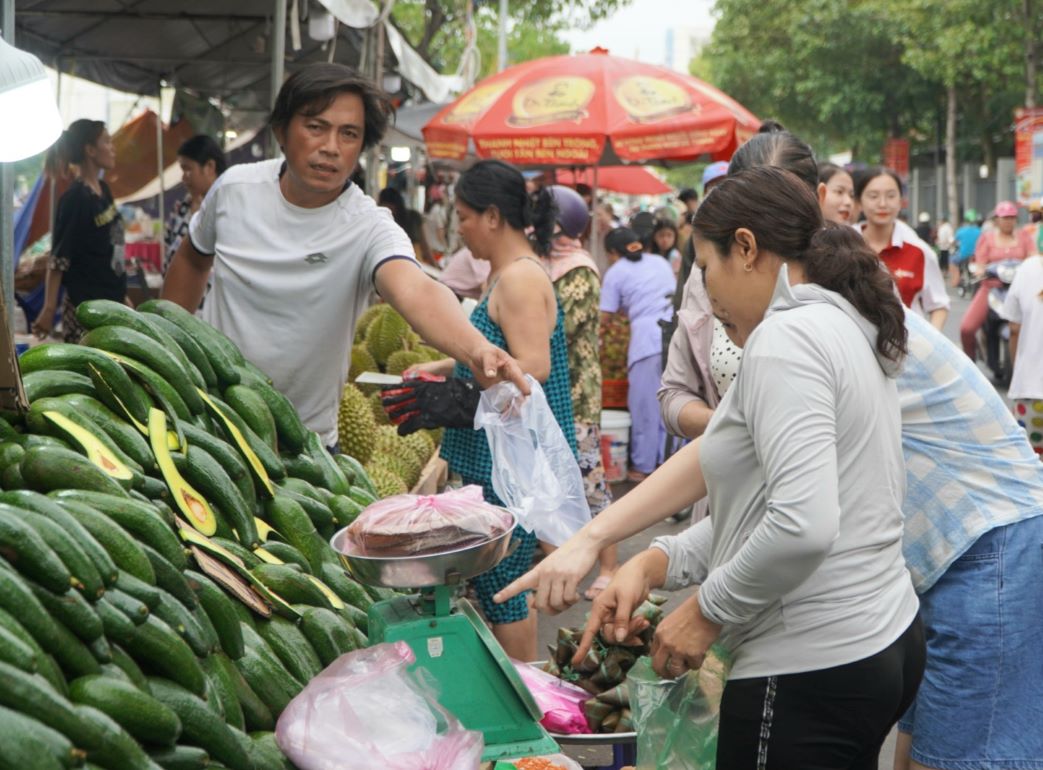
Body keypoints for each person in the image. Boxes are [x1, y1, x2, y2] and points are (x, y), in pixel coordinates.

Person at [508, 130, 1043, 770]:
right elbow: (735, 472)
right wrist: (650, 559)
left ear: (748, 247)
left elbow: (800, 525)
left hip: (857, 630)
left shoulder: (788, 340)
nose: (703, 295)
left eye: (704, 272)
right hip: (885, 639)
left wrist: (704, 612)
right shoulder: (841, 318)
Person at [162, 63, 525, 450]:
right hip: (212, 426)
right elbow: (193, 257)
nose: (331, 147)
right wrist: (165, 344)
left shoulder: (367, 225)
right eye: (316, 126)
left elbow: (417, 290)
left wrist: (477, 351)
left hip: (306, 447)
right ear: (282, 131)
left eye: (349, 134)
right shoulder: (234, 191)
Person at [384, 159, 576, 661]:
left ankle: (529, 706)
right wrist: (446, 366)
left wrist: (460, 398)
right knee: (500, 589)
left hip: (509, 465)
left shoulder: (519, 280)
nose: (459, 228)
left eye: (465, 217)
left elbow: (530, 368)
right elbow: (496, 353)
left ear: (493, 217)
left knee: (506, 594)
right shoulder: (507, 276)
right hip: (496, 458)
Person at [541, 185, 617, 598]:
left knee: (590, 481)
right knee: (554, 482)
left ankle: (610, 565)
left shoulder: (580, 271)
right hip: (549, 393)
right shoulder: (543, 264)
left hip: (576, 397)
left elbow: (560, 326)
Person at [34, 119, 127, 342]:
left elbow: (110, 246)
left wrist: (121, 295)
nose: (112, 147)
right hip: (85, 311)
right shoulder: (75, 199)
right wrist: (48, 309)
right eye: (106, 141)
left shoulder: (103, 191)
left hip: (112, 304)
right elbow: (58, 258)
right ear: (90, 150)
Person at [601, 227, 675, 482]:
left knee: (644, 406)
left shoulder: (616, 271)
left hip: (646, 342)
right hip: (675, 336)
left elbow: (604, 318)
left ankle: (643, 467)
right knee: (671, 399)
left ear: (612, 253)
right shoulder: (660, 262)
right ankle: (670, 465)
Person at [855, 167, 950, 330]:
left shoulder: (919, 251)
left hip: (905, 348)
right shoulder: (842, 246)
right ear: (859, 202)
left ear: (901, 201)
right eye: (873, 196)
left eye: (891, 196)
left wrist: (929, 348)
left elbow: (939, 305)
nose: (882, 203)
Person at [958, 200, 1033, 361]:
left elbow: (1033, 257)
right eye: (1005, 217)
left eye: (1012, 217)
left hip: (1020, 290)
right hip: (991, 288)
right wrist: (980, 270)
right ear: (997, 219)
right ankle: (969, 363)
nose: (1008, 221)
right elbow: (980, 263)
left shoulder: (1024, 237)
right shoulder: (987, 238)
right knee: (967, 328)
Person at [163, 134, 227, 273]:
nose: (183, 177)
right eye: (182, 170)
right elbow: (167, 250)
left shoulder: (226, 208)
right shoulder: (181, 208)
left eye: (188, 169)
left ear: (210, 166)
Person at [1001, 250, 1043, 458]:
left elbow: (1014, 328)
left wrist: (1017, 375)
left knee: (1033, 471)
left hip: (1031, 394)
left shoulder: (1027, 268)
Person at [951, 209, 981, 286]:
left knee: (952, 261)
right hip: (976, 256)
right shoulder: (979, 231)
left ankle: (955, 280)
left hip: (963, 255)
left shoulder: (961, 231)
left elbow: (954, 242)